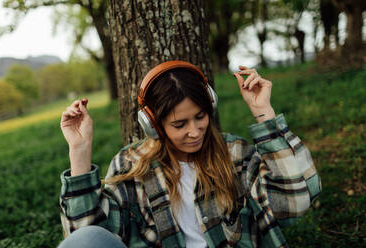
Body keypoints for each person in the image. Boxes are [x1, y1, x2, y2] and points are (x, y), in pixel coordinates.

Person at [58, 61, 321, 248]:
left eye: (200, 117)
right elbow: (90, 235)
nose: (195, 132)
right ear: (154, 124)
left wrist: (264, 113)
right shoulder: (132, 164)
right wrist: (79, 151)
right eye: (179, 124)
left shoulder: (235, 155)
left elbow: (293, 204)